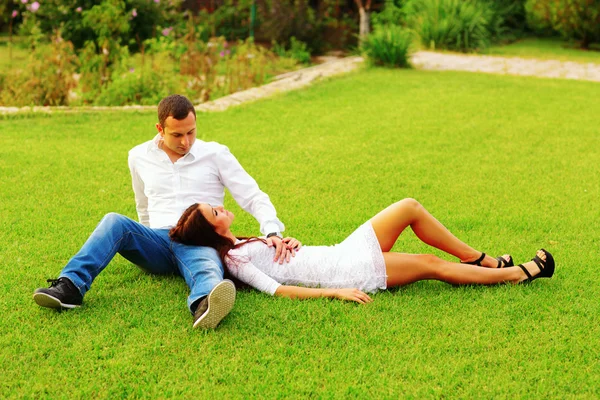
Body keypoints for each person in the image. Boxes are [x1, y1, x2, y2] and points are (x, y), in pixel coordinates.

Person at [33, 94, 294, 328]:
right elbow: (142, 203)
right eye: (177, 135)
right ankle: (70, 287)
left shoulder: (215, 154)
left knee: (205, 264)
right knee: (114, 221)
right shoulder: (138, 156)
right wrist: (144, 234)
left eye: (191, 132)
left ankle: (205, 303)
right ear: (160, 129)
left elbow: (251, 194)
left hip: (198, 239)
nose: (186, 141)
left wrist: (271, 229)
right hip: (157, 240)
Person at [169, 199, 555, 303]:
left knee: (408, 207)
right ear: (213, 228)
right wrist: (335, 292)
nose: (220, 206)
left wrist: (288, 243)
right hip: (346, 271)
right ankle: (516, 274)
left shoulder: (240, 243)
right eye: (214, 211)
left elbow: (284, 263)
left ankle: (478, 259)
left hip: (339, 251)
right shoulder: (234, 260)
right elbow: (277, 289)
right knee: (431, 265)